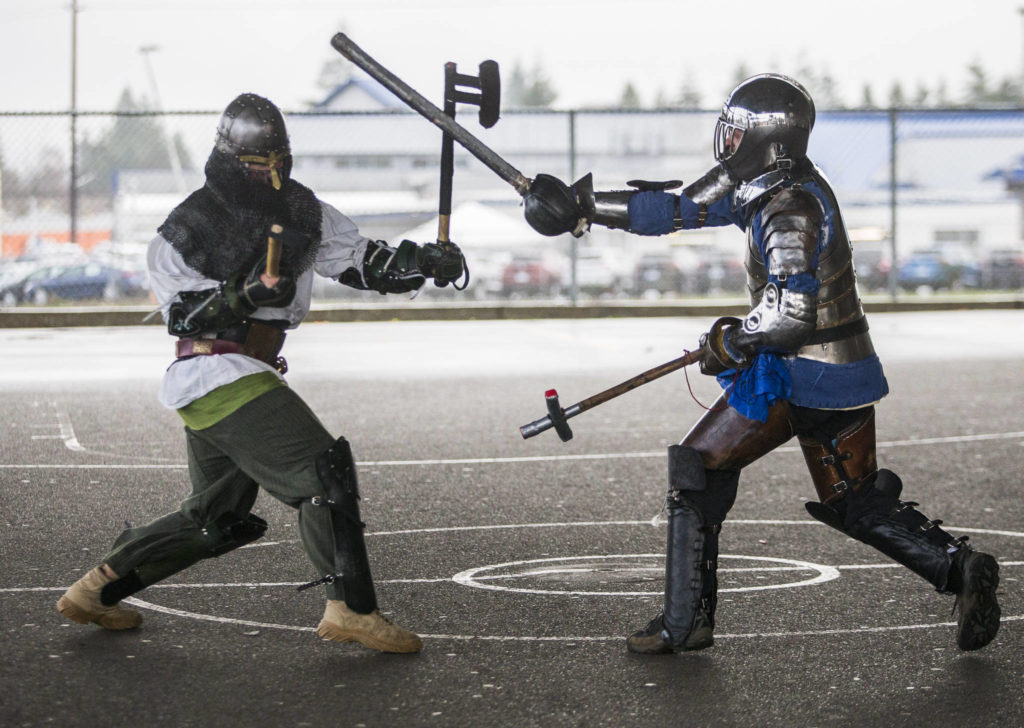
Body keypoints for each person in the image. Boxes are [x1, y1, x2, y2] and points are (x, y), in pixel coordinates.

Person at [520, 74, 1000, 654]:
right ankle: (960, 567)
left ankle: (683, 621)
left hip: (803, 371)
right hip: (843, 369)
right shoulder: (769, 183)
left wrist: (729, 341)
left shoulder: (789, 205)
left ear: (765, 138)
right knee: (854, 500)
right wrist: (586, 207)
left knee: (697, 466)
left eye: (736, 130)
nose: (726, 141)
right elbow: (676, 209)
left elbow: (790, 315)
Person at [56, 92, 467, 653]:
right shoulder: (187, 227)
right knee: (323, 471)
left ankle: (97, 590)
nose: (269, 173)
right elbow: (185, 314)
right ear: (229, 159)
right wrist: (246, 290)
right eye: (256, 163)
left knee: (216, 517)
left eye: (277, 160)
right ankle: (352, 607)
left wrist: (421, 262)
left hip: (245, 372)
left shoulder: (303, 210)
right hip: (216, 368)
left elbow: (367, 262)